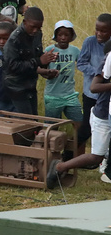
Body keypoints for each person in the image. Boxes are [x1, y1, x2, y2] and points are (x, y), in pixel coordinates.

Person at [47, 56, 111, 188]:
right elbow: (93, 87)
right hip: (103, 115)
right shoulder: (106, 62)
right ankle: (60, 167)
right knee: (96, 156)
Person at [3, 7, 50, 115]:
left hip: (30, 84)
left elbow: (37, 55)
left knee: (34, 119)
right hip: (16, 86)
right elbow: (12, 66)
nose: (35, 31)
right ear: (24, 22)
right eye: (33, 27)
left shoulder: (38, 34)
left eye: (39, 28)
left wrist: (46, 61)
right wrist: (38, 61)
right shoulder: (14, 40)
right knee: (26, 122)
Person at [77, 14, 111, 150]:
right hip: (91, 94)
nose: (99, 33)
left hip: (106, 96)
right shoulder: (89, 42)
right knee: (86, 128)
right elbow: (81, 63)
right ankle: (67, 156)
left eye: (103, 31)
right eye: (97, 29)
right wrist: (99, 73)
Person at [43, 21, 83, 133]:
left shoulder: (75, 51)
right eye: (60, 35)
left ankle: (74, 148)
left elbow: (82, 64)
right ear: (56, 36)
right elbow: (42, 69)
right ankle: (53, 147)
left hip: (70, 95)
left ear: (71, 37)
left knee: (79, 122)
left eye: (67, 35)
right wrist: (48, 73)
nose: (63, 38)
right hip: (53, 96)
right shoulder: (49, 50)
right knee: (52, 127)